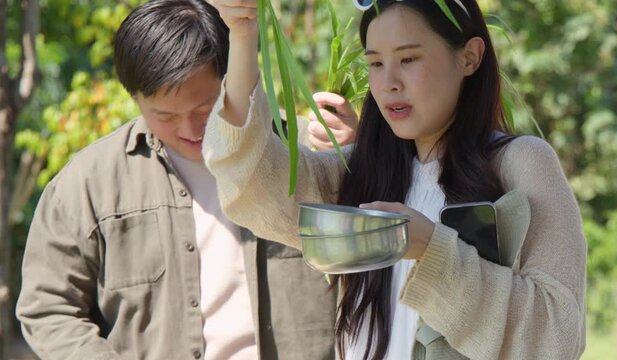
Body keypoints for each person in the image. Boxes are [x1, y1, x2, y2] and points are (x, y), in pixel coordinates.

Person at [203, 0, 587, 359]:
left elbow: (559, 334)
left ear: (469, 57)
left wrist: (431, 249)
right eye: (375, 64)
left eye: (408, 59)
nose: (389, 83)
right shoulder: (358, 171)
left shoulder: (520, 164)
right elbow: (253, 182)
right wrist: (242, 33)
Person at [15, 1, 358, 359]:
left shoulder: (305, 150)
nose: (189, 129)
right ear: (134, 98)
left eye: (204, 109)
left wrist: (359, 157)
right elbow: (48, 308)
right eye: (164, 116)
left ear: (231, 77)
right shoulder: (88, 183)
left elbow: (379, 255)